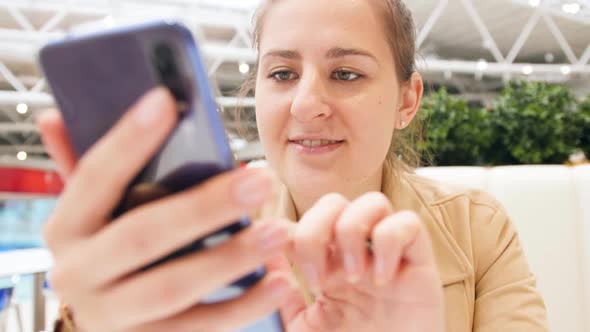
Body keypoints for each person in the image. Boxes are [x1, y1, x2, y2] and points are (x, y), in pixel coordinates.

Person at [38, 0, 548, 331]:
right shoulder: (191, 239)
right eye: (282, 73)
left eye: (346, 73)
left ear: (406, 101)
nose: (306, 105)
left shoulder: (476, 228)